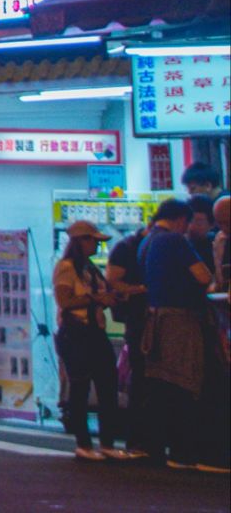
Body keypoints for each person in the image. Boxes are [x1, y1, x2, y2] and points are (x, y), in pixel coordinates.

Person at [137, 197, 219, 472]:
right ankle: (183, 451)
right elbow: (203, 276)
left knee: (162, 385)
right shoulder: (173, 241)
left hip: (155, 318)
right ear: (181, 220)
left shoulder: (147, 241)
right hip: (178, 321)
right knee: (183, 381)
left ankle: (158, 447)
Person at [53, 220, 123, 460]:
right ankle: (83, 443)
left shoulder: (90, 268)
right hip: (76, 333)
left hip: (96, 332)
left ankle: (107, 442)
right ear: (80, 241)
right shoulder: (66, 268)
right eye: (93, 240)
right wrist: (96, 299)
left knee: (107, 386)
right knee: (80, 387)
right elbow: (65, 301)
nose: (97, 246)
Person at [106, 216, 154, 457]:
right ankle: (138, 439)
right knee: (142, 377)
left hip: (142, 323)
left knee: (144, 378)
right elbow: (113, 282)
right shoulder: (128, 247)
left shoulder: (130, 246)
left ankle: (143, 440)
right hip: (138, 323)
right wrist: (142, 290)